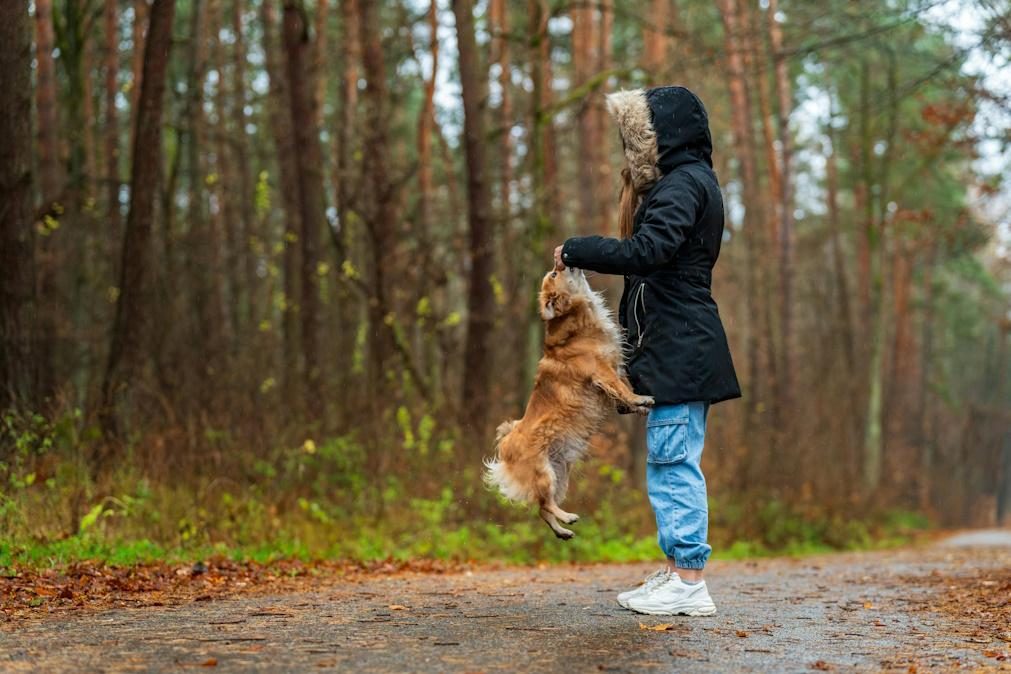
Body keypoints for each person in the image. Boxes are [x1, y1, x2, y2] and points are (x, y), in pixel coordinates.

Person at [553, 86, 740, 616]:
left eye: (636, 135)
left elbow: (650, 251)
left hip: (684, 349)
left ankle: (688, 579)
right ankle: (678, 570)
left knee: (673, 461)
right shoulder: (688, 182)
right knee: (668, 460)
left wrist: (577, 249)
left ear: (660, 135)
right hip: (676, 348)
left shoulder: (684, 184)